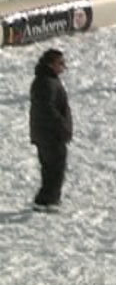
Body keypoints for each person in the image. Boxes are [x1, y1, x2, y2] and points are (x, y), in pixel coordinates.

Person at [29, 49, 72, 212]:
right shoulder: (45, 82)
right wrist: (62, 126)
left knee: (52, 167)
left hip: (48, 133)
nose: (63, 67)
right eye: (60, 63)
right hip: (49, 134)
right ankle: (47, 200)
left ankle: (47, 199)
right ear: (50, 64)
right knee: (54, 167)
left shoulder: (49, 80)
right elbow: (47, 110)